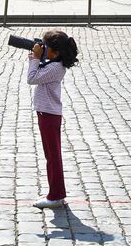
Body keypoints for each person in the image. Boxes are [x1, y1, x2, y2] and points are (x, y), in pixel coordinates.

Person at [27, 30, 79, 209]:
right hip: (47, 113)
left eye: (45, 46)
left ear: (55, 53)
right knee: (51, 155)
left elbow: (31, 78)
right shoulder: (54, 64)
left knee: (53, 156)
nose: (42, 48)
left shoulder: (56, 68)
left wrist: (34, 59)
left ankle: (56, 196)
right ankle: (56, 193)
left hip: (49, 115)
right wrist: (38, 58)